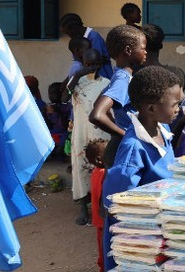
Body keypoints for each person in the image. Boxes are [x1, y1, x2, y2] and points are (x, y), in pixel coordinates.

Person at [102, 65, 182, 271]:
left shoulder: (162, 128)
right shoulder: (133, 149)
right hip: (140, 234)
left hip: (162, 223)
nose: (179, 109)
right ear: (151, 108)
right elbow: (116, 203)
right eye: (175, 104)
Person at [89, 25, 148, 167]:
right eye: (143, 48)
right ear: (128, 50)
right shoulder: (123, 80)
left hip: (119, 146)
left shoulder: (120, 75)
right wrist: (125, 134)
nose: (146, 52)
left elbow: (98, 102)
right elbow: (97, 115)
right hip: (125, 149)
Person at [66, 48, 111, 225]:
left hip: (100, 132)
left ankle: (100, 204)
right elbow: (64, 96)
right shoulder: (76, 82)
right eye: (87, 65)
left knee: (101, 168)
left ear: (99, 65)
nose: (90, 68)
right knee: (80, 168)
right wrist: (77, 75)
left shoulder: (106, 82)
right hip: (80, 132)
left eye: (93, 65)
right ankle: (83, 208)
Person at [60, 13, 113, 79]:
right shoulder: (77, 40)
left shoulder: (93, 37)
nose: (69, 36)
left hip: (101, 76)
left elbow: (95, 61)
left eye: (68, 33)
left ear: (74, 28)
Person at [85, 138, 107, 272]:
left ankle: (102, 269)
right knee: (105, 246)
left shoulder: (96, 172)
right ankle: (104, 270)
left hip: (98, 219)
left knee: (101, 246)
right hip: (103, 219)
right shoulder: (104, 173)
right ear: (99, 159)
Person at [46, 82, 71, 160]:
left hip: (64, 133)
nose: (51, 96)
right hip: (53, 133)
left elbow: (66, 125)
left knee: (62, 146)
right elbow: (48, 125)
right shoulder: (49, 107)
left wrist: (59, 112)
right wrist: (44, 113)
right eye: (49, 94)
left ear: (61, 94)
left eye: (54, 94)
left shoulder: (67, 106)